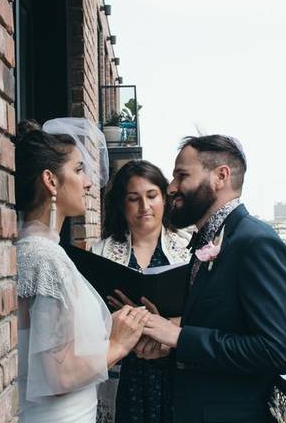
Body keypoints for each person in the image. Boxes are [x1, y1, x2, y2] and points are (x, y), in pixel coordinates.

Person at [137, 135, 286, 423]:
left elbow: (276, 352)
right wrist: (171, 349)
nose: (171, 187)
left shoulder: (256, 243)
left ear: (220, 176)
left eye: (181, 175)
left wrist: (179, 336)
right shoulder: (207, 241)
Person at [15, 119, 151, 423]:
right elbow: (58, 373)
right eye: (78, 170)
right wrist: (118, 344)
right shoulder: (44, 257)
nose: (88, 181)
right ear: (51, 181)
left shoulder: (32, 248)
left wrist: (113, 325)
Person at [91, 160, 192, 423]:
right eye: (133, 198)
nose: (144, 207)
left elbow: (207, 313)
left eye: (151, 196)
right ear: (121, 205)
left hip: (173, 370)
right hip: (124, 372)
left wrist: (165, 325)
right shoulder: (101, 254)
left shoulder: (189, 251)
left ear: (164, 198)